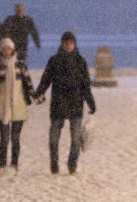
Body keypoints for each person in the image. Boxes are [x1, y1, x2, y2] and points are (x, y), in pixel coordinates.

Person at [34, 31, 96, 175]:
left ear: (74, 44)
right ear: (62, 44)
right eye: (66, 42)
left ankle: (72, 165)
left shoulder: (80, 62)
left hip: (75, 104)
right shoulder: (54, 61)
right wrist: (38, 93)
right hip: (58, 104)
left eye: (71, 42)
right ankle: (54, 163)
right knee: (53, 139)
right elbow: (45, 80)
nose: (69, 45)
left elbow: (85, 85)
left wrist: (91, 102)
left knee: (75, 139)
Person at [0, 38, 40, 174]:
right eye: (4, 49)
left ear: (13, 50)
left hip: (19, 106)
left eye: (9, 49)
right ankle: (2, 165)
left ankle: (14, 164)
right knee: (4, 138)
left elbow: (28, 85)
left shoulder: (20, 66)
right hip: (2, 107)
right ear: (1, 51)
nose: (7, 51)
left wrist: (36, 96)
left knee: (15, 138)